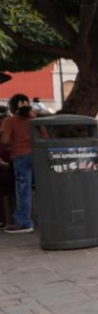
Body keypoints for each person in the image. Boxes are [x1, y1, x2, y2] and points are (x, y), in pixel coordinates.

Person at [1, 94, 37, 234]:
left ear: (12, 107)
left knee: (23, 190)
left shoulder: (10, 121)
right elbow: (44, 136)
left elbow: (5, 141)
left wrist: (14, 145)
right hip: (37, 156)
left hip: (20, 157)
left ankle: (24, 222)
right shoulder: (34, 120)